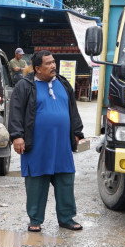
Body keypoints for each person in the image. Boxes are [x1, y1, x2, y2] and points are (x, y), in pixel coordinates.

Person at [8, 51, 84, 233]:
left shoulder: (63, 83)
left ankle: (67, 218)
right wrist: (17, 136)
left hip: (61, 145)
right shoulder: (25, 86)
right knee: (36, 182)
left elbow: (72, 109)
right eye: (48, 63)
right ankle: (35, 219)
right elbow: (16, 111)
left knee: (65, 179)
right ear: (37, 68)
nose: (53, 66)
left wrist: (77, 131)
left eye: (53, 62)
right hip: (37, 145)